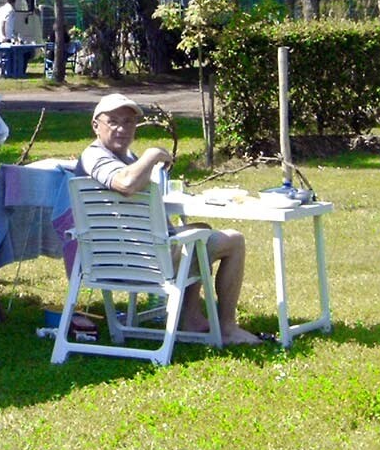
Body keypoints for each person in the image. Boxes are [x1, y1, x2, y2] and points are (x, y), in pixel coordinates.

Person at [77, 92, 260, 346]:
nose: (122, 128)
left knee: (199, 230)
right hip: (136, 260)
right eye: (114, 121)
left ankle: (191, 317)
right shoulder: (95, 156)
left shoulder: (125, 158)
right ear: (96, 126)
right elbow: (126, 183)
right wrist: (152, 155)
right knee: (234, 240)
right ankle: (227, 327)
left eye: (129, 122)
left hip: (125, 254)